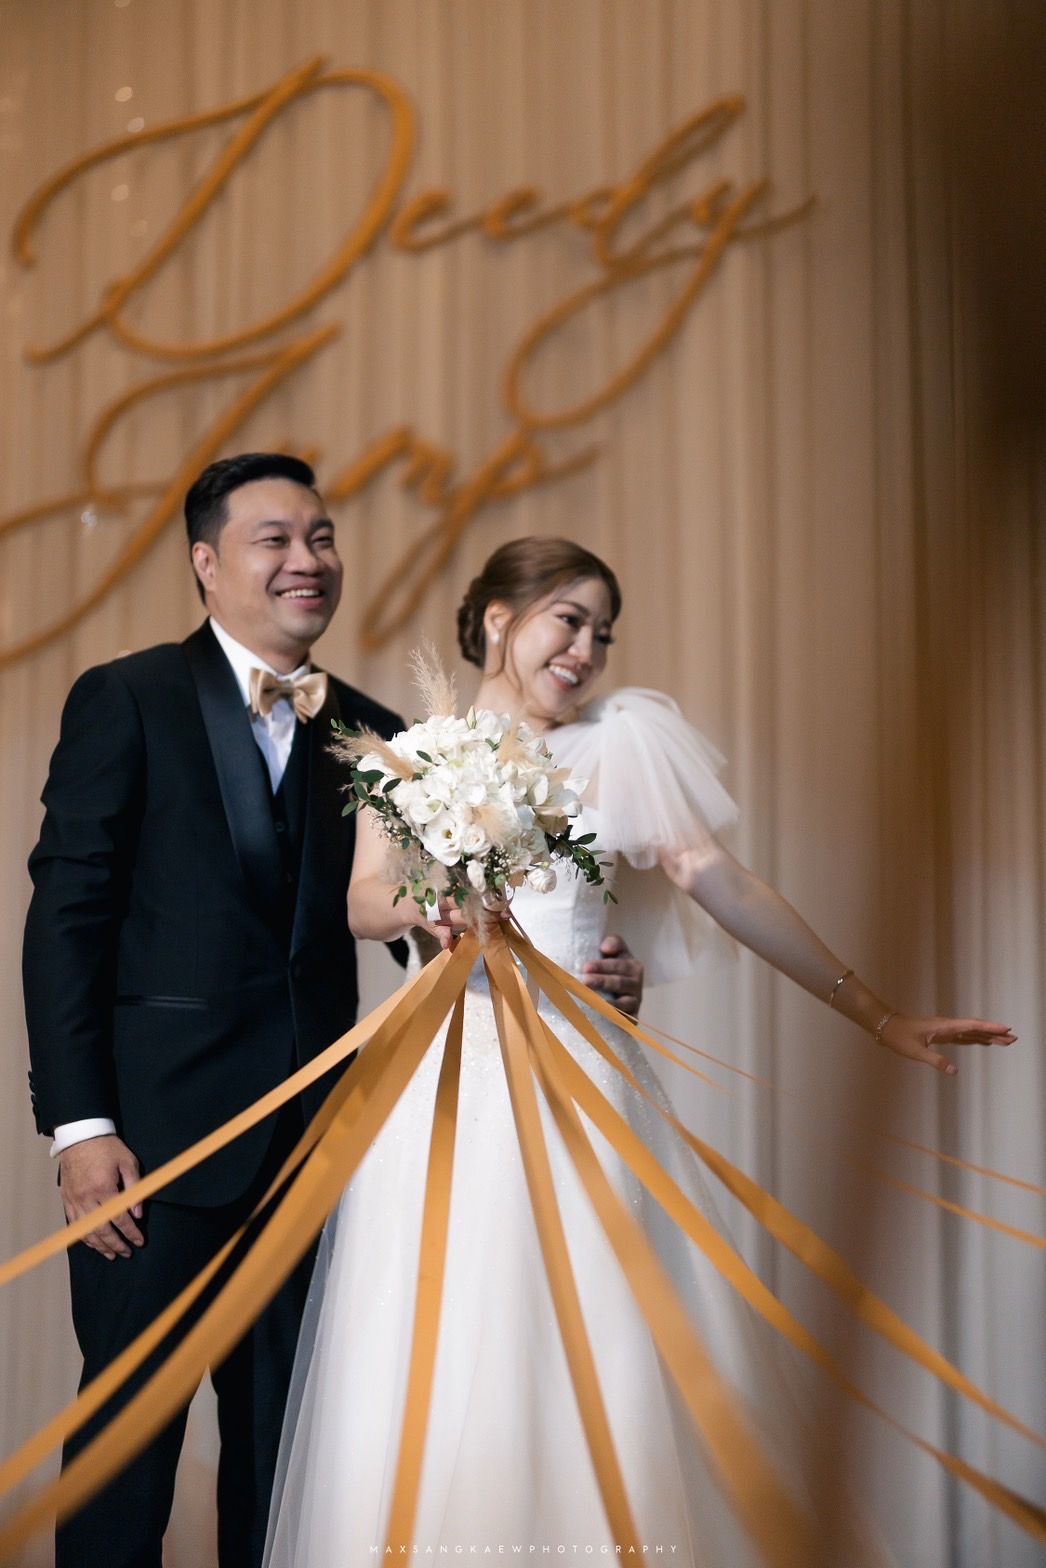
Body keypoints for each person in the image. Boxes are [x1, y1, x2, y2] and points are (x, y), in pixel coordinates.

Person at [262, 535, 1016, 1566]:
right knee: (437, 1334)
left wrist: (878, 1015)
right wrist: (432, 904)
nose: (587, 650)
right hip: (444, 1080)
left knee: (600, 1333)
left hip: (581, 1079)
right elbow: (362, 900)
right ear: (498, 618)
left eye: (603, 633)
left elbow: (720, 878)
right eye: (569, 620)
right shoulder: (409, 753)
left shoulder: (617, 745)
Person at [21, 458, 648, 1568]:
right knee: (124, 1447)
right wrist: (82, 1126)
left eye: (320, 537)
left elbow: (427, 934)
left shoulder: (379, 731)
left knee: (288, 1461)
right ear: (206, 562)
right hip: (155, 1147)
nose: (306, 559)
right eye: (273, 539)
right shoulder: (129, 697)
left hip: (324, 1146)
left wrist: (571, 966)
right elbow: (66, 918)